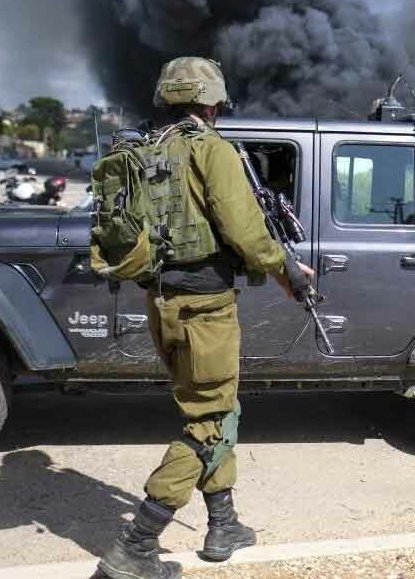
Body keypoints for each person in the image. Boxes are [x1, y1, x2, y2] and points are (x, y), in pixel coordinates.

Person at [97, 57, 315, 579]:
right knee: (210, 422)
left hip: (163, 304)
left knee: (215, 409)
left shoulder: (145, 149)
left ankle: (224, 525)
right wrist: (289, 269)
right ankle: (136, 546)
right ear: (212, 101)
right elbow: (244, 231)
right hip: (206, 309)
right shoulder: (209, 148)